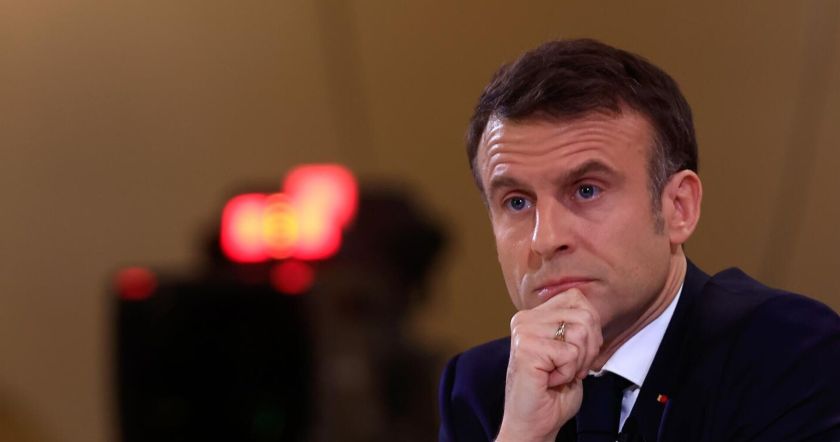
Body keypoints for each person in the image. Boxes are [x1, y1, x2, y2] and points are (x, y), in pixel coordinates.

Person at [437, 38, 840, 442]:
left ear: (679, 207)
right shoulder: (482, 389)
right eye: (517, 202)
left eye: (586, 190)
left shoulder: (785, 349)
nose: (545, 239)